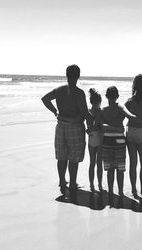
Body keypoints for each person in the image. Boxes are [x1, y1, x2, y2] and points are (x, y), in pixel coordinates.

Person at [41, 64, 92, 194]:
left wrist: (55, 112)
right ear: (78, 76)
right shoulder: (79, 93)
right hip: (75, 127)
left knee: (62, 156)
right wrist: (93, 124)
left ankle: (62, 181)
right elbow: (85, 113)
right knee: (74, 157)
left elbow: (45, 99)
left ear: (66, 75)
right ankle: (73, 183)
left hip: (61, 126)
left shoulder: (59, 90)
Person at [101, 86, 142, 197]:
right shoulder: (120, 106)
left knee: (110, 169)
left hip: (107, 141)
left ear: (106, 96)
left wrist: (110, 127)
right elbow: (130, 116)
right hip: (119, 141)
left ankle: (111, 191)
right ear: (117, 96)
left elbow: (101, 126)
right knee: (120, 169)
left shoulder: (103, 110)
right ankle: (120, 192)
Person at [87, 88, 103, 192]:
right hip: (99, 138)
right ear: (99, 101)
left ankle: (91, 185)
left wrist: (88, 130)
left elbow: (89, 125)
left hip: (91, 138)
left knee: (92, 163)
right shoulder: (100, 111)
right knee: (99, 163)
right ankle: (100, 185)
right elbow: (97, 125)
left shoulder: (88, 111)